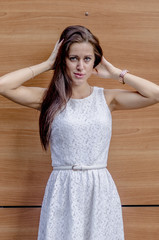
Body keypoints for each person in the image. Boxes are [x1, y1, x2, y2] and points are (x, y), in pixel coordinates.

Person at [0, 25, 159, 240]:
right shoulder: (49, 99)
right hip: (62, 189)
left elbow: (155, 94)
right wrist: (47, 64)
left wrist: (115, 73)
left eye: (87, 59)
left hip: (100, 188)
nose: (80, 66)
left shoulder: (107, 98)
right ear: (62, 59)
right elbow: (3, 85)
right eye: (73, 58)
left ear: (96, 61)